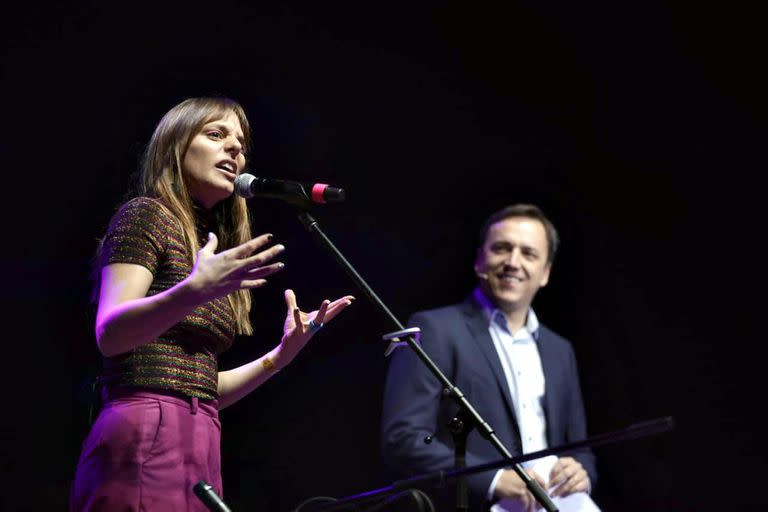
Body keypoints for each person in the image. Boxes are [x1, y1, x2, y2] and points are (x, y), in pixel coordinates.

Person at [70, 96, 354, 511]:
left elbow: (200, 387)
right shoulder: (146, 215)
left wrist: (279, 356)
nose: (236, 149)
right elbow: (111, 334)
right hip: (146, 428)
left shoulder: (205, 243)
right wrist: (193, 291)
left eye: (240, 142)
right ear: (175, 146)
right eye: (216, 134)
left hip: (202, 433)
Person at [381, 204, 597, 511]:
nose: (513, 262)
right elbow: (403, 439)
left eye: (528, 253)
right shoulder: (435, 329)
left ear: (545, 272)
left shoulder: (560, 350)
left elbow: (582, 449)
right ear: (479, 259)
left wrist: (580, 472)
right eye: (501, 248)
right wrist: (494, 479)